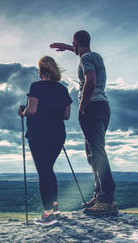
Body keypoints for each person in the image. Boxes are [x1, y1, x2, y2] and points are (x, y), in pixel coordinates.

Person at [50, 30, 117, 216]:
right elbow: (81, 52)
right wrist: (67, 47)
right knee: (92, 153)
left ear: (77, 42)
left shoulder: (85, 59)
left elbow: (90, 82)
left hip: (92, 107)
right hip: (103, 106)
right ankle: (100, 194)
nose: (74, 48)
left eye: (74, 45)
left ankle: (107, 200)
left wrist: (82, 106)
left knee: (97, 152)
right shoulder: (95, 56)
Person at [18, 56, 72, 226]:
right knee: (48, 169)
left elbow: (32, 110)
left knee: (44, 172)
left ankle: (48, 215)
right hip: (57, 134)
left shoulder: (36, 87)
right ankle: (55, 208)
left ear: (40, 71)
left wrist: (22, 112)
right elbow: (66, 115)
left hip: (39, 133)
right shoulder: (63, 89)